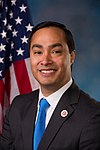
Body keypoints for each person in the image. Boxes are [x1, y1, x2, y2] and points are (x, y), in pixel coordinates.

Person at [0, 21, 100, 150]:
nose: (45, 60)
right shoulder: (18, 107)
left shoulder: (93, 116)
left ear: (72, 57)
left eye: (56, 51)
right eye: (38, 52)